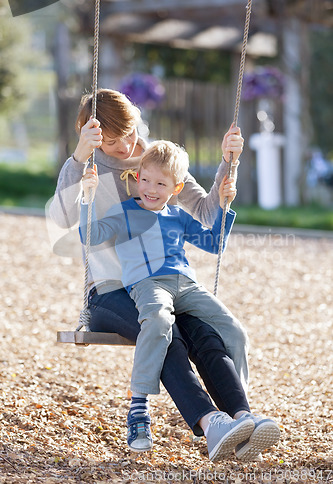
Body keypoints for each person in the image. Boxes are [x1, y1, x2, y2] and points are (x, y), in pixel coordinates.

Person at [48, 88, 279, 461]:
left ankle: (242, 418)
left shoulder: (159, 161)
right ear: (92, 135)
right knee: (163, 333)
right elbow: (62, 220)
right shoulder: (89, 164)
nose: (125, 147)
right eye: (110, 141)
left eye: (130, 133)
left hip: (171, 283)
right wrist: (79, 157)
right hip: (111, 290)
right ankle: (204, 422)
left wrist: (227, 164)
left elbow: (206, 213)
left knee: (211, 332)